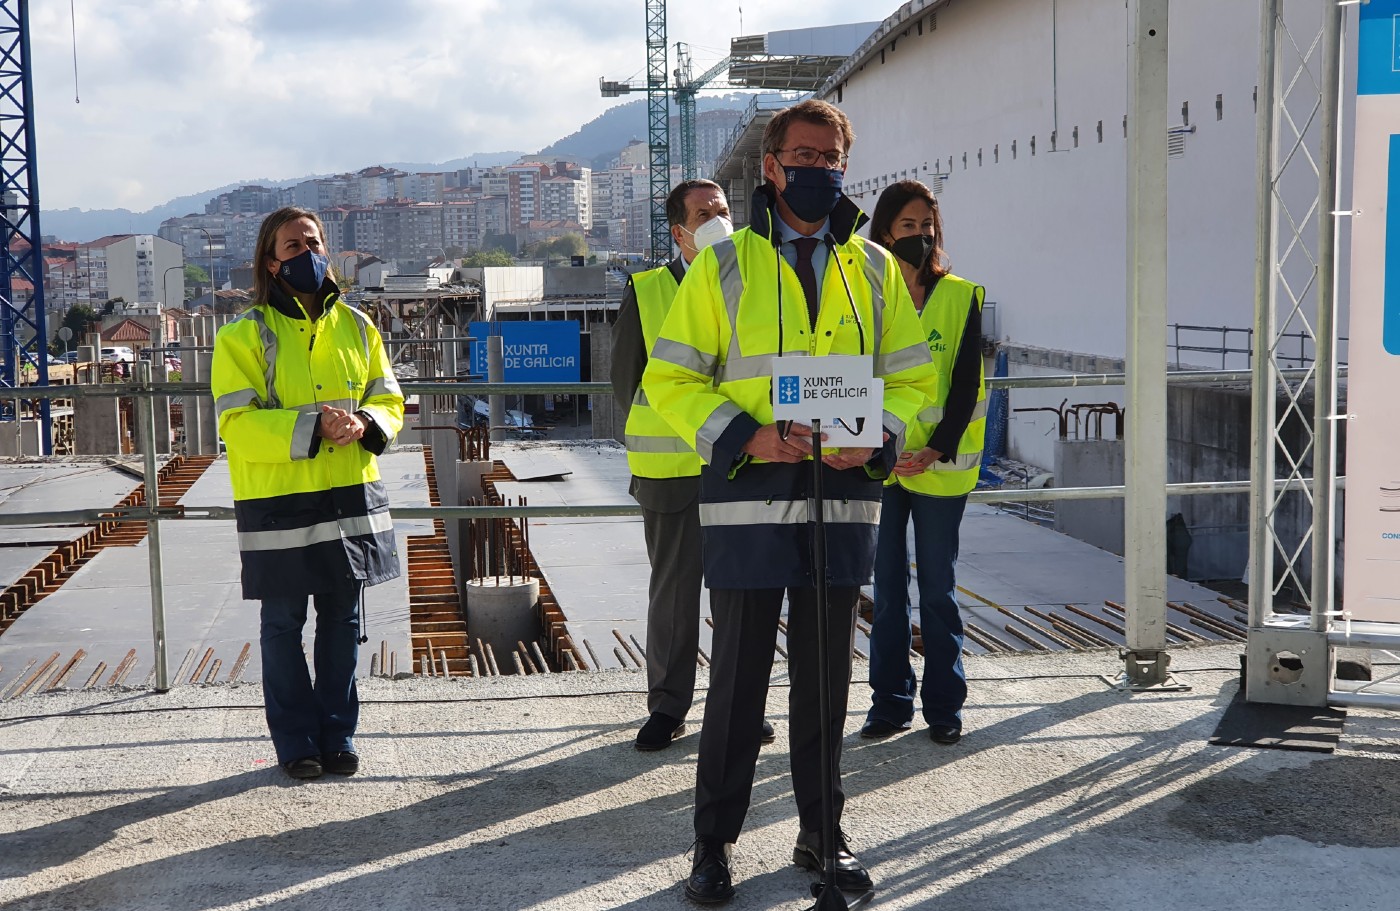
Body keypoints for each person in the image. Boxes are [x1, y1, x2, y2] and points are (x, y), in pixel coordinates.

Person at [643, 100, 938, 904]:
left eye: (832, 154)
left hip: (840, 501)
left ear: (847, 162)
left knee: (825, 682)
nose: (820, 167)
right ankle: (712, 843)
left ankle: (824, 832)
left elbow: (914, 379)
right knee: (736, 683)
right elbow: (669, 377)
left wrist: (876, 437)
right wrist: (744, 434)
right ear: (771, 167)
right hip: (750, 497)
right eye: (804, 153)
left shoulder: (874, 267)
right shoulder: (723, 264)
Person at [212, 207, 404, 782]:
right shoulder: (243, 336)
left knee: (344, 621)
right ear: (270, 262)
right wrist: (311, 430)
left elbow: (389, 396)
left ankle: (339, 735)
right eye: (292, 246)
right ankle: (296, 741)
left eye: (313, 242)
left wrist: (365, 424)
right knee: (283, 624)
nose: (306, 253)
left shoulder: (359, 327)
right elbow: (236, 424)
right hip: (281, 501)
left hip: (348, 494)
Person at [610, 180, 776, 752]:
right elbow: (625, 381)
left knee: (742, 594)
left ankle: (740, 705)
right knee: (676, 597)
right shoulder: (649, 289)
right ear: (679, 233)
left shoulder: (755, 283)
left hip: (743, 464)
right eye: (705, 214)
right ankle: (668, 707)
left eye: (724, 211)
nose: (719, 221)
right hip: (673, 470)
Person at [861, 180, 985, 746]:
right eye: (907, 226)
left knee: (937, 590)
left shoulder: (960, 295)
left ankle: (944, 707)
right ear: (883, 231)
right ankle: (888, 703)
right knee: (886, 591)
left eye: (926, 227)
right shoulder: (863, 293)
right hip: (879, 463)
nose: (919, 235)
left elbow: (965, 386)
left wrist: (936, 447)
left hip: (941, 467)